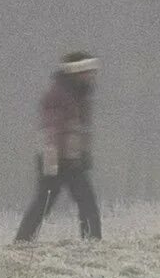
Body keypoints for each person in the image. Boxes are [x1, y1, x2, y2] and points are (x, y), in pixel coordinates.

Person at [14, 50, 102, 242]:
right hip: (54, 161)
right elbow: (51, 130)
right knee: (43, 205)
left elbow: (81, 129)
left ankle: (92, 243)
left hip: (73, 160)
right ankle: (22, 242)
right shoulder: (58, 95)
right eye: (87, 72)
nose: (91, 76)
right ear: (76, 72)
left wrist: (82, 154)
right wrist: (52, 162)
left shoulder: (81, 95)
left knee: (87, 204)